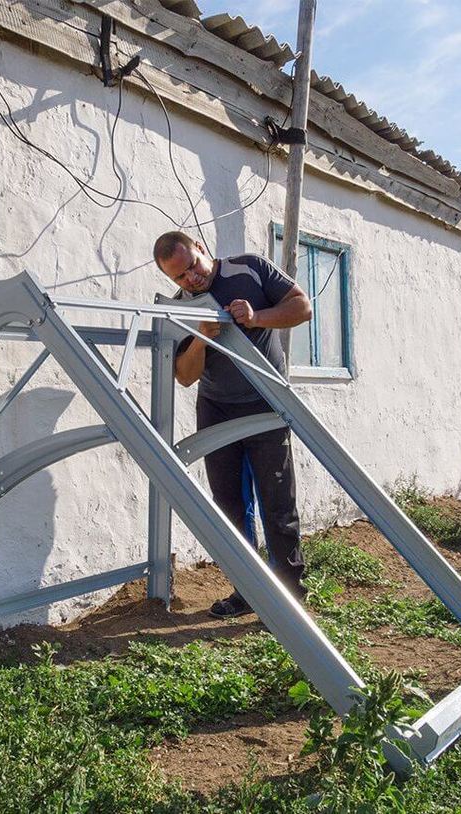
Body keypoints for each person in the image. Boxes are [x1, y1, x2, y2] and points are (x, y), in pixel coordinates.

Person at [153, 231, 312, 618]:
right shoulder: (181, 308)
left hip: (266, 401)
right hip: (216, 408)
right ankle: (248, 591)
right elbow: (184, 376)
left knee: (277, 503)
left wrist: (258, 317)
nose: (191, 279)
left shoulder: (250, 268)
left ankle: (290, 596)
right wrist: (201, 340)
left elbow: (302, 308)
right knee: (230, 506)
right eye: (179, 278)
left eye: (192, 266)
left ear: (202, 249)